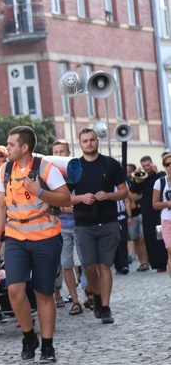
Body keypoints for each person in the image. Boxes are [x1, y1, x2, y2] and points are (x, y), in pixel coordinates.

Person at [0, 126, 70, 363]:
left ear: (24, 147)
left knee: (43, 292)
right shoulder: (4, 170)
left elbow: (65, 198)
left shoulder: (46, 168)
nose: (7, 148)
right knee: (14, 289)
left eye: (11, 144)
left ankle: (47, 345)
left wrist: (41, 192)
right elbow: (1, 207)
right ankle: (28, 336)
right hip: (16, 236)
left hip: (45, 236)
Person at [70, 128, 127, 324]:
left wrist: (109, 195)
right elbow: (63, 197)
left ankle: (105, 306)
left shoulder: (110, 164)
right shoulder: (74, 166)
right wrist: (80, 198)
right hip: (83, 222)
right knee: (89, 265)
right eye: (85, 141)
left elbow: (124, 191)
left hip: (108, 221)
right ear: (80, 144)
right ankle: (95, 294)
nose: (89, 144)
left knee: (105, 265)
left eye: (92, 140)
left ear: (97, 141)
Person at [51, 140, 83, 315]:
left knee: (85, 261)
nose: (59, 155)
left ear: (69, 153)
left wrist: (69, 203)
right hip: (61, 226)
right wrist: (65, 205)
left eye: (62, 152)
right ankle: (75, 300)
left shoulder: (77, 173)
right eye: (56, 152)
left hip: (80, 223)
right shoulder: (49, 175)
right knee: (66, 264)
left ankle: (89, 291)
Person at [130, 156, 165, 272]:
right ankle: (157, 264)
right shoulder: (142, 177)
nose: (146, 168)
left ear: (152, 164)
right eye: (144, 166)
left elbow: (165, 184)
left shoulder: (160, 175)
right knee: (150, 237)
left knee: (162, 237)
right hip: (147, 212)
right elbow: (134, 189)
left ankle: (166, 261)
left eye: (148, 165)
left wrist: (157, 171)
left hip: (160, 211)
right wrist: (136, 177)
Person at [126, 163, 149, 271]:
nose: (127, 173)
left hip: (141, 213)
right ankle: (142, 262)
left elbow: (145, 194)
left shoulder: (142, 179)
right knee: (135, 239)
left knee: (143, 238)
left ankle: (145, 261)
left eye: (129, 171)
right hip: (132, 214)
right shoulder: (126, 183)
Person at [152, 152, 171, 277]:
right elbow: (155, 204)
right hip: (167, 220)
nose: (170, 166)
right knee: (170, 251)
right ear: (164, 166)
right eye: (167, 164)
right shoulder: (160, 182)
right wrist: (168, 204)